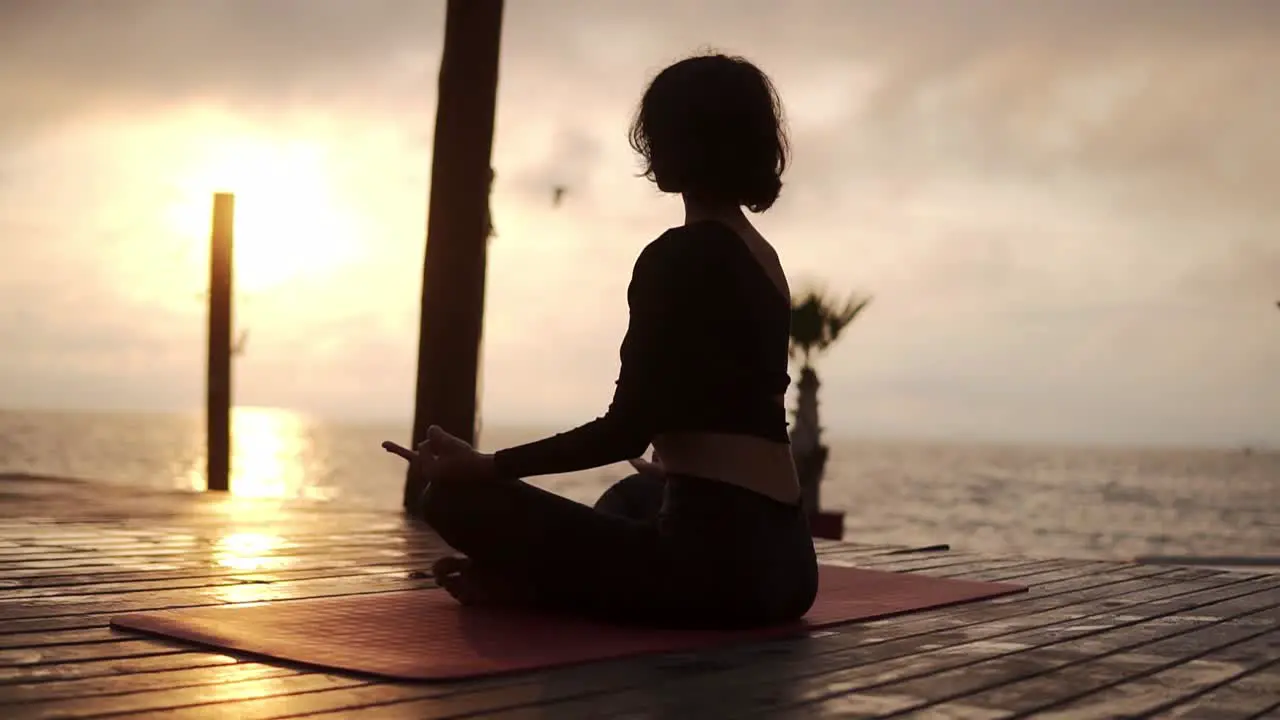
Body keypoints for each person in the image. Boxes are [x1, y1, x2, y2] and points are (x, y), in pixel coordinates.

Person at [389, 52, 819, 629]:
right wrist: (678, 475)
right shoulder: (763, 259)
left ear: (670, 141)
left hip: (714, 578)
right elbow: (737, 415)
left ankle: (530, 585)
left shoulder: (675, 256)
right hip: (789, 569)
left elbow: (622, 432)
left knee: (447, 499)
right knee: (633, 499)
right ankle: (539, 581)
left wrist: (482, 466)